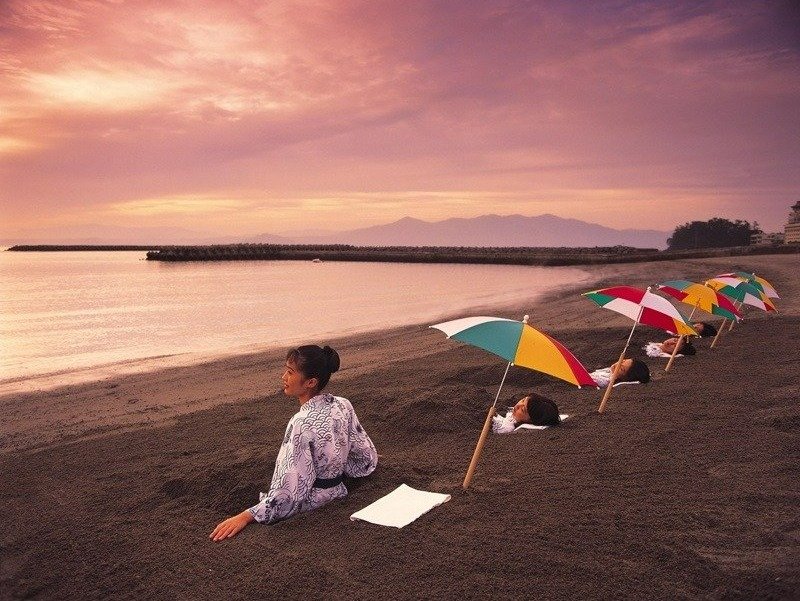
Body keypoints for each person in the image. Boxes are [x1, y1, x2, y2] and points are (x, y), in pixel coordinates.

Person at [210, 345, 377, 542]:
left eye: (290, 372)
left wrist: (247, 516)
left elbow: (290, 492)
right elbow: (365, 454)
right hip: (340, 489)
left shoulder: (301, 422)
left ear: (311, 382)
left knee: (274, 500)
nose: (284, 377)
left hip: (317, 501)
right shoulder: (342, 404)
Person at [492, 392, 561, 433]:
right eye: (522, 400)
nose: (518, 405)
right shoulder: (512, 412)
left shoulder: (507, 428)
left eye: (522, 410)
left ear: (530, 420)